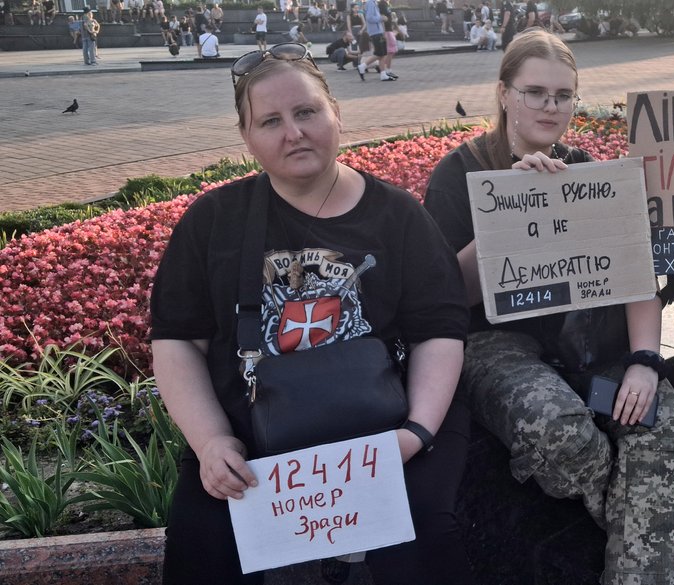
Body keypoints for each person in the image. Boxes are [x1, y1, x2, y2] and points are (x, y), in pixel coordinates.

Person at [151, 43, 474, 585]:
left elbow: (439, 331)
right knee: (202, 547)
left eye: (306, 112)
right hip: (252, 431)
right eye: (270, 121)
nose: (294, 133)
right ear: (246, 137)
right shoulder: (213, 220)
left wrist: (415, 433)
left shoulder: (399, 215)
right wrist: (211, 442)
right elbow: (177, 339)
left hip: (386, 427)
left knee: (425, 541)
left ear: (336, 114)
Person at [423, 29, 674, 585]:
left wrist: (645, 362)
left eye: (563, 95)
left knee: (656, 420)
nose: (550, 106)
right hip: (498, 347)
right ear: (504, 93)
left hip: (589, 356)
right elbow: (443, 298)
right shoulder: (458, 174)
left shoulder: (590, 173)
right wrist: (509, 212)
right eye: (535, 92)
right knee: (562, 434)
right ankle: (651, 502)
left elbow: (635, 278)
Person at [358, 0, 394, 81]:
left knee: (383, 53)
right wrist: (381, 18)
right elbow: (369, 18)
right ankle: (363, 66)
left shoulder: (374, 3)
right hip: (375, 32)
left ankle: (383, 74)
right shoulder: (370, 3)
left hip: (378, 31)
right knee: (380, 53)